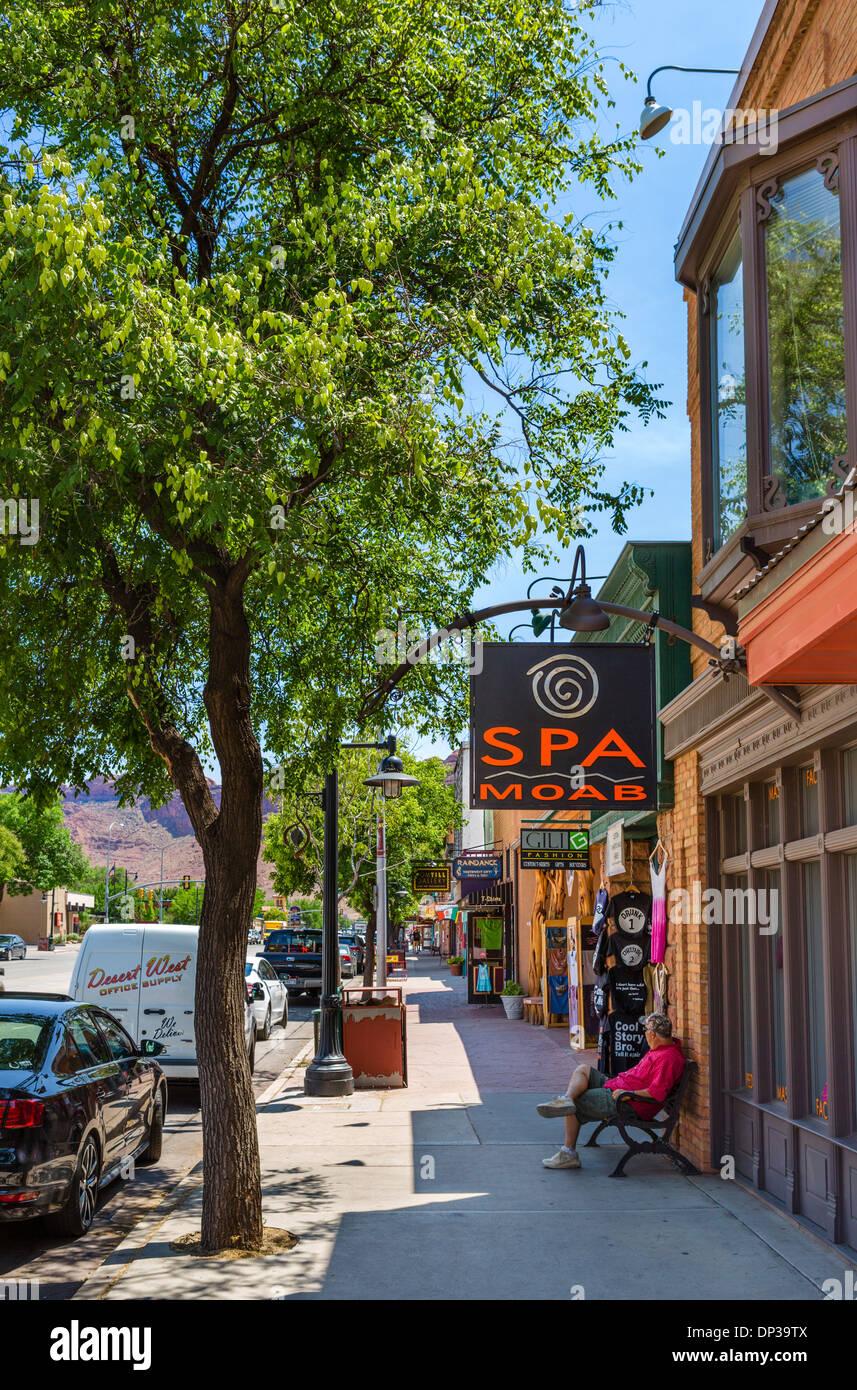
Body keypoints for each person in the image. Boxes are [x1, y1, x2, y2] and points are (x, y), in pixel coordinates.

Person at [537, 1012, 686, 1170]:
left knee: (577, 1103)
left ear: (653, 1034)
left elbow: (657, 1092)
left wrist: (629, 1094)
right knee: (583, 1070)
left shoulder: (668, 1058)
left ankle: (568, 1154)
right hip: (618, 1087)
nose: (645, 1035)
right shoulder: (660, 1049)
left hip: (629, 1102)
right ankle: (566, 1098)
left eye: (645, 1032)